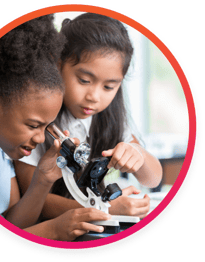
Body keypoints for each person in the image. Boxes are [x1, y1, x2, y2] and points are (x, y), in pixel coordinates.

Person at [0, 14, 111, 241]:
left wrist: (43, 180)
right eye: (33, 125)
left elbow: (11, 224)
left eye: (46, 127)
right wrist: (52, 230)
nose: (41, 138)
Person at [15, 13, 163, 221]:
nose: (94, 97)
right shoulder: (36, 117)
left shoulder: (110, 116)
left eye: (109, 86)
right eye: (84, 80)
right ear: (58, 65)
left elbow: (153, 178)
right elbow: (35, 200)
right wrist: (105, 209)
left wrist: (137, 153)